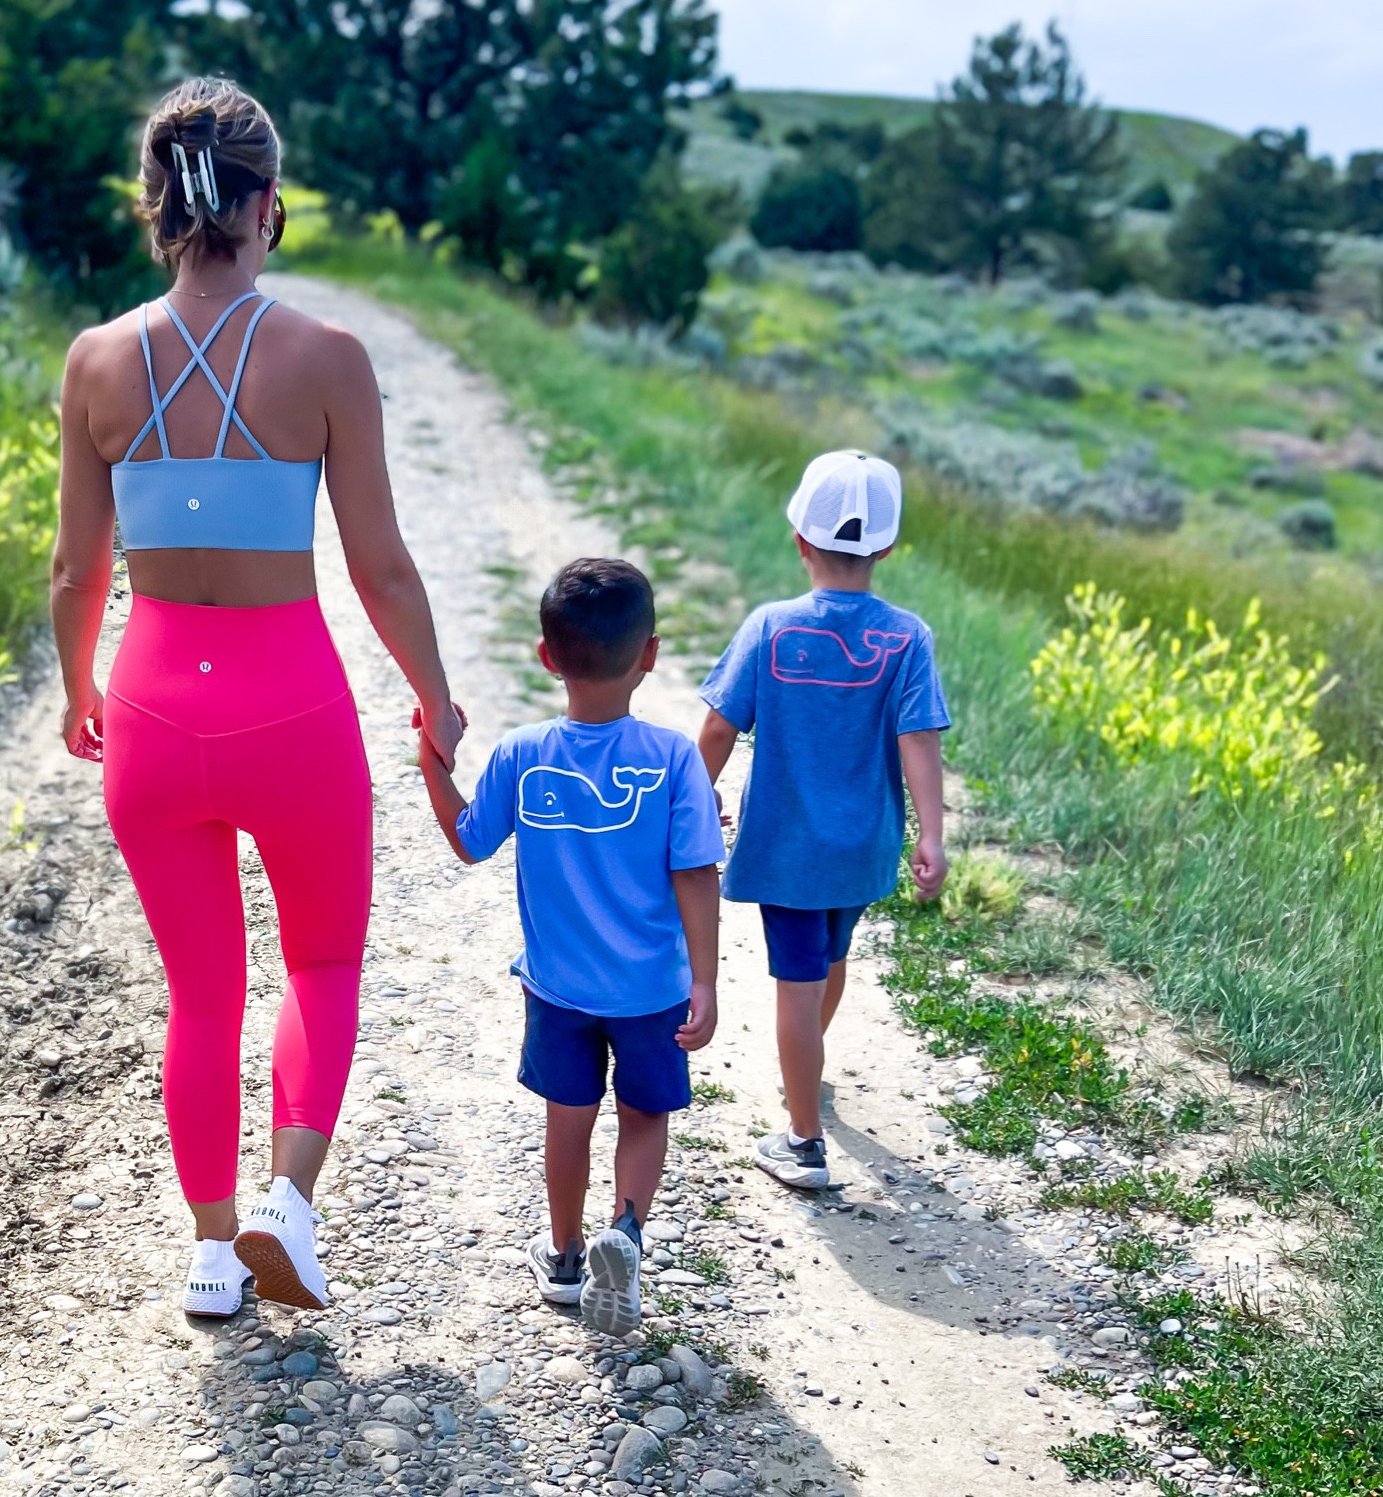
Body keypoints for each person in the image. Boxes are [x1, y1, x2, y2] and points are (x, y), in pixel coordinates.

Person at [50, 77, 463, 1318]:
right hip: (291, 701)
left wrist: (82, 686)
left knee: (201, 990)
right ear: (268, 206)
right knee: (324, 958)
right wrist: (436, 698)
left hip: (156, 704)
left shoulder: (97, 361)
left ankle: (213, 1250)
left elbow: (77, 568)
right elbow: (379, 563)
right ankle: (292, 1194)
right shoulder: (327, 358)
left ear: (154, 204)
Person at [416, 558, 723, 1334]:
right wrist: (707, 983)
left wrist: (432, 757)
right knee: (646, 1114)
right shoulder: (675, 758)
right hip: (653, 990)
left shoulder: (523, 755)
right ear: (647, 655)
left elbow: (468, 840)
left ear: (547, 657)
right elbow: (696, 875)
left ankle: (561, 1255)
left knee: (569, 1118)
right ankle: (626, 1230)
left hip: (558, 990)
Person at [697, 451, 949, 1191]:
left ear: (798, 540)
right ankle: (809, 1066)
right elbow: (919, 741)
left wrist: (686, 800)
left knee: (796, 986)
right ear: (889, 548)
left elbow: (718, 729)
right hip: (863, 847)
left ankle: (803, 1138)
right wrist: (931, 835)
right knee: (831, 961)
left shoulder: (771, 628)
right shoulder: (907, 638)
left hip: (788, 849)